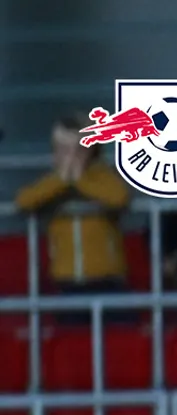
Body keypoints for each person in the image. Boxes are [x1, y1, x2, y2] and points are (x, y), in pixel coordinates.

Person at [14, 114, 131, 296]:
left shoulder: (103, 176)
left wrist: (79, 180)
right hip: (67, 278)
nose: (71, 157)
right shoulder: (53, 182)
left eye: (78, 150)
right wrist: (62, 180)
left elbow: (119, 197)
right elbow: (24, 201)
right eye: (63, 150)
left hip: (107, 276)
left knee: (119, 323)